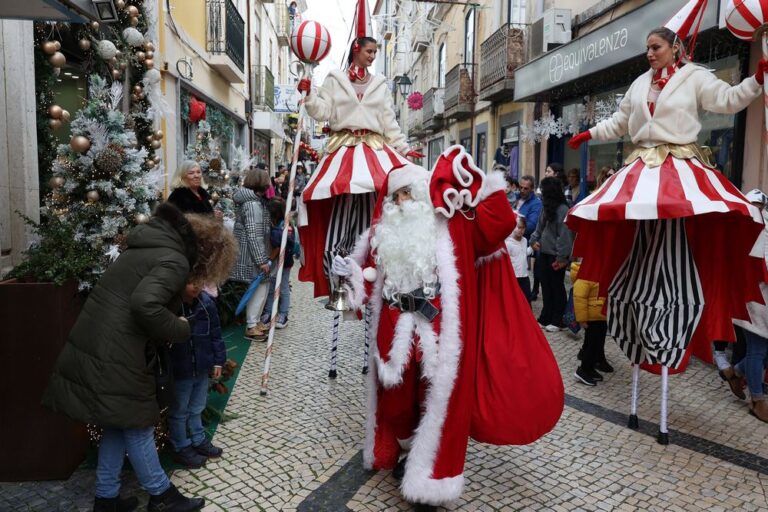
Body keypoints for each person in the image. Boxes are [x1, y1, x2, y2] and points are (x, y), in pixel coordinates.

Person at [567, 17, 767, 440]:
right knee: (636, 251)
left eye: (656, 47)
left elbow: (728, 100)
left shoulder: (695, 77)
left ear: (675, 47)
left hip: (680, 168)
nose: (649, 54)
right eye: (647, 48)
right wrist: (589, 133)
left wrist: (757, 80)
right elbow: (620, 122)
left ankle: (678, 327)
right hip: (642, 168)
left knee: (679, 250)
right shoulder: (640, 84)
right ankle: (636, 330)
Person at [332, 149, 563, 509]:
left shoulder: (454, 225)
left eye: (409, 192)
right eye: (397, 195)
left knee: (438, 406)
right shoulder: (383, 234)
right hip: (395, 335)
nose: (404, 201)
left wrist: (476, 183)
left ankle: (430, 480)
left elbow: (500, 222)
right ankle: (407, 449)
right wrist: (349, 274)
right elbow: (367, 286)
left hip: (441, 335)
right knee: (397, 405)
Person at [43, 203, 236, 512]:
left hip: (104, 344)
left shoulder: (152, 246)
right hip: (119, 351)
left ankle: (106, 498)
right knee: (138, 424)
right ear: (206, 254)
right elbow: (145, 305)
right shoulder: (174, 259)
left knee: (118, 423)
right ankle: (162, 497)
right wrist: (181, 327)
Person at [296, 35, 420, 299]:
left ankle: (367, 286)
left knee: (371, 221)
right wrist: (309, 95)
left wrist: (404, 149)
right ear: (356, 50)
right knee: (338, 217)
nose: (373, 56)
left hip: (374, 150)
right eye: (369, 51)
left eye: (375, 52)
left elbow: (389, 123)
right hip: (344, 151)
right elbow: (322, 111)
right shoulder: (335, 79)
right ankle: (338, 288)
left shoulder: (380, 84)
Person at [168, 280, 227, 468]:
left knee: (197, 406)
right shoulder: (172, 306)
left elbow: (215, 334)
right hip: (180, 369)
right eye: (190, 282)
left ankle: (198, 439)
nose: (195, 286)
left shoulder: (206, 304)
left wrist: (218, 361)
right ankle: (181, 446)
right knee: (179, 411)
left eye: (199, 281)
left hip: (201, 367)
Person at [721, 189, 768, 421]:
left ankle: (735, 372)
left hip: (761, 297)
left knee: (761, 351)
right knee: (757, 350)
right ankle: (757, 400)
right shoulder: (749, 226)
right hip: (755, 297)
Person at [230, 168, 273, 341]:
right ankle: (252, 325)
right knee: (259, 288)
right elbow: (254, 234)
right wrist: (261, 260)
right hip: (252, 254)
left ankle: (255, 321)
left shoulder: (255, 201)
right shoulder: (253, 204)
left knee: (261, 287)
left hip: (251, 252)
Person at [530, 177, 574, 332]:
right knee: (546, 286)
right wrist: (533, 240)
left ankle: (559, 320)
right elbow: (539, 227)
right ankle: (545, 317)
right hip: (543, 253)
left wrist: (562, 257)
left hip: (556, 256)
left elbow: (564, 235)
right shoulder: (545, 206)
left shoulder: (563, 209)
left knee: (557, 287)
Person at [571, 260, 613, 386]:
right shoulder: (587, 273)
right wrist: (582, 319)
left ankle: (590, 368)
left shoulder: (600, 271)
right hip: (591, 317)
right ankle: (583, 370)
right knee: (591, 345)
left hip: (600, 315)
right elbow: (579, 296)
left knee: (597, 343)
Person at [260, 198, 296, 329]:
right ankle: (268, 312)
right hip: (276, 261)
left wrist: (270, 259)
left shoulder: (285, 226)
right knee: (271, 287)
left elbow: (278, 246)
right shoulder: (275, 224)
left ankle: (283, 314)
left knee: (283, 287)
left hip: (284, 262)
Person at [505, 215, 531, 303]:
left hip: (524, 276)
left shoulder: (525, 240)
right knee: (514, 300)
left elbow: (523, 253)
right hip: (514, 277)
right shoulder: (507, 243)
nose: (521, 230)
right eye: (519, 227)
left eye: (523, 228)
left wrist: (532, 248)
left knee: (527, 299)